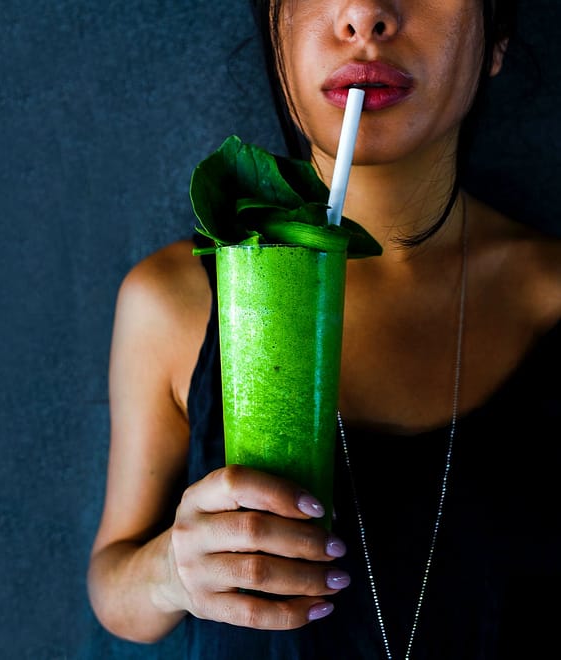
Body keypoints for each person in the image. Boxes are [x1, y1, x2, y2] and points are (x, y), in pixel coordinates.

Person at [87, 1, 561, 657]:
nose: (365, 14)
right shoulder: (176, 301)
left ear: (497, 38)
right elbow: (114, 584)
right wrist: (170, 573)